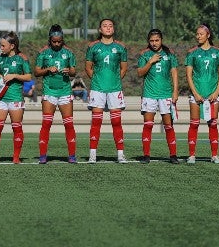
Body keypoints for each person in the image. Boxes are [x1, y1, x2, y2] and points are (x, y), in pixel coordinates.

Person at [85, 18, 128, 163]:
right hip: (97, 89)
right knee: (96, 122)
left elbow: (123, 69)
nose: (108, 28)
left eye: (110, 26)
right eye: (105, 26)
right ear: (100, 30)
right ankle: (92, 155)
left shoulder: (121, 47)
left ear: (113, 29)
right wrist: (98, 80)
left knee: (116, 122)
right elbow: (88, 68)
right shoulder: (93, 47)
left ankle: (120, 155)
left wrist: (114, 81)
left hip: (115, 89)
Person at [34, 24, 78, 164]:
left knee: (69, 124)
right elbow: (36, 72)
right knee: (46, 123)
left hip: (65, 91)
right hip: (49, 92)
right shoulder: (43, 53)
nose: (57, 44)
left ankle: (71, 155)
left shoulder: (69, 52)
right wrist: (47, 69)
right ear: (50, 40)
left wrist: (68, 71)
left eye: (59, 41)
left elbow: (73, 72)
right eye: (54, 41)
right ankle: (42, 156)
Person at [0, 32, 32, 164]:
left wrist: (14, 76)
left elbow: (28, 77)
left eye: (3, 45)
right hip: (0, 98)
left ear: (12, 46)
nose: (1, 48)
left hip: (15, 98)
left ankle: (16, 157)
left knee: (16, 127)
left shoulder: (22, 58)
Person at [185, 23, 219, 164]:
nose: (198, 36)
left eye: (201, 34)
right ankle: (191, 155)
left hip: (213, 95)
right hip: (197, 95)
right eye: (197, 34)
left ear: (208, 35)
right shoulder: (192, 53)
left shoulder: (218, 53)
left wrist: (217, 92)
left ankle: (214, 155)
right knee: (194, 124)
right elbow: (189, 76)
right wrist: (195, 93)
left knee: (213, 124)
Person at [137, 29, 179, 164]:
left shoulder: (169, 54)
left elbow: (174, 73)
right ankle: (146, 155)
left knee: (168, 125)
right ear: (148, 41)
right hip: (149, 94)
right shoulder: (145, 54)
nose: (154, 43)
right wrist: (150, 62)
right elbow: (139, 73)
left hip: (165, 94)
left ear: (161, 40)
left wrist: (175, 91)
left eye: (157, 40)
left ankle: (173, 155)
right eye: (151, 41)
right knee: (148, 125)